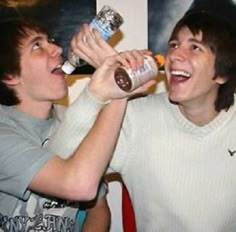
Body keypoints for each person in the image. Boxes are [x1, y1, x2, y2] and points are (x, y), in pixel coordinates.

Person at [48, 9, 236, 232]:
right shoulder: (136, 118)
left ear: (222, 74)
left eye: (195, 47)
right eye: (174, 45)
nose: (174, 55)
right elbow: (58, 161)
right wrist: (97, 93)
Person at [0, 18, 153, 232]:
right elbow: (79, 185)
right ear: (10, 75)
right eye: (37, 46)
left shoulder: (75, 119)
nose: (56, 48)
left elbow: (97, 207)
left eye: (50, 41)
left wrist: (120, 78)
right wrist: (116, 91)